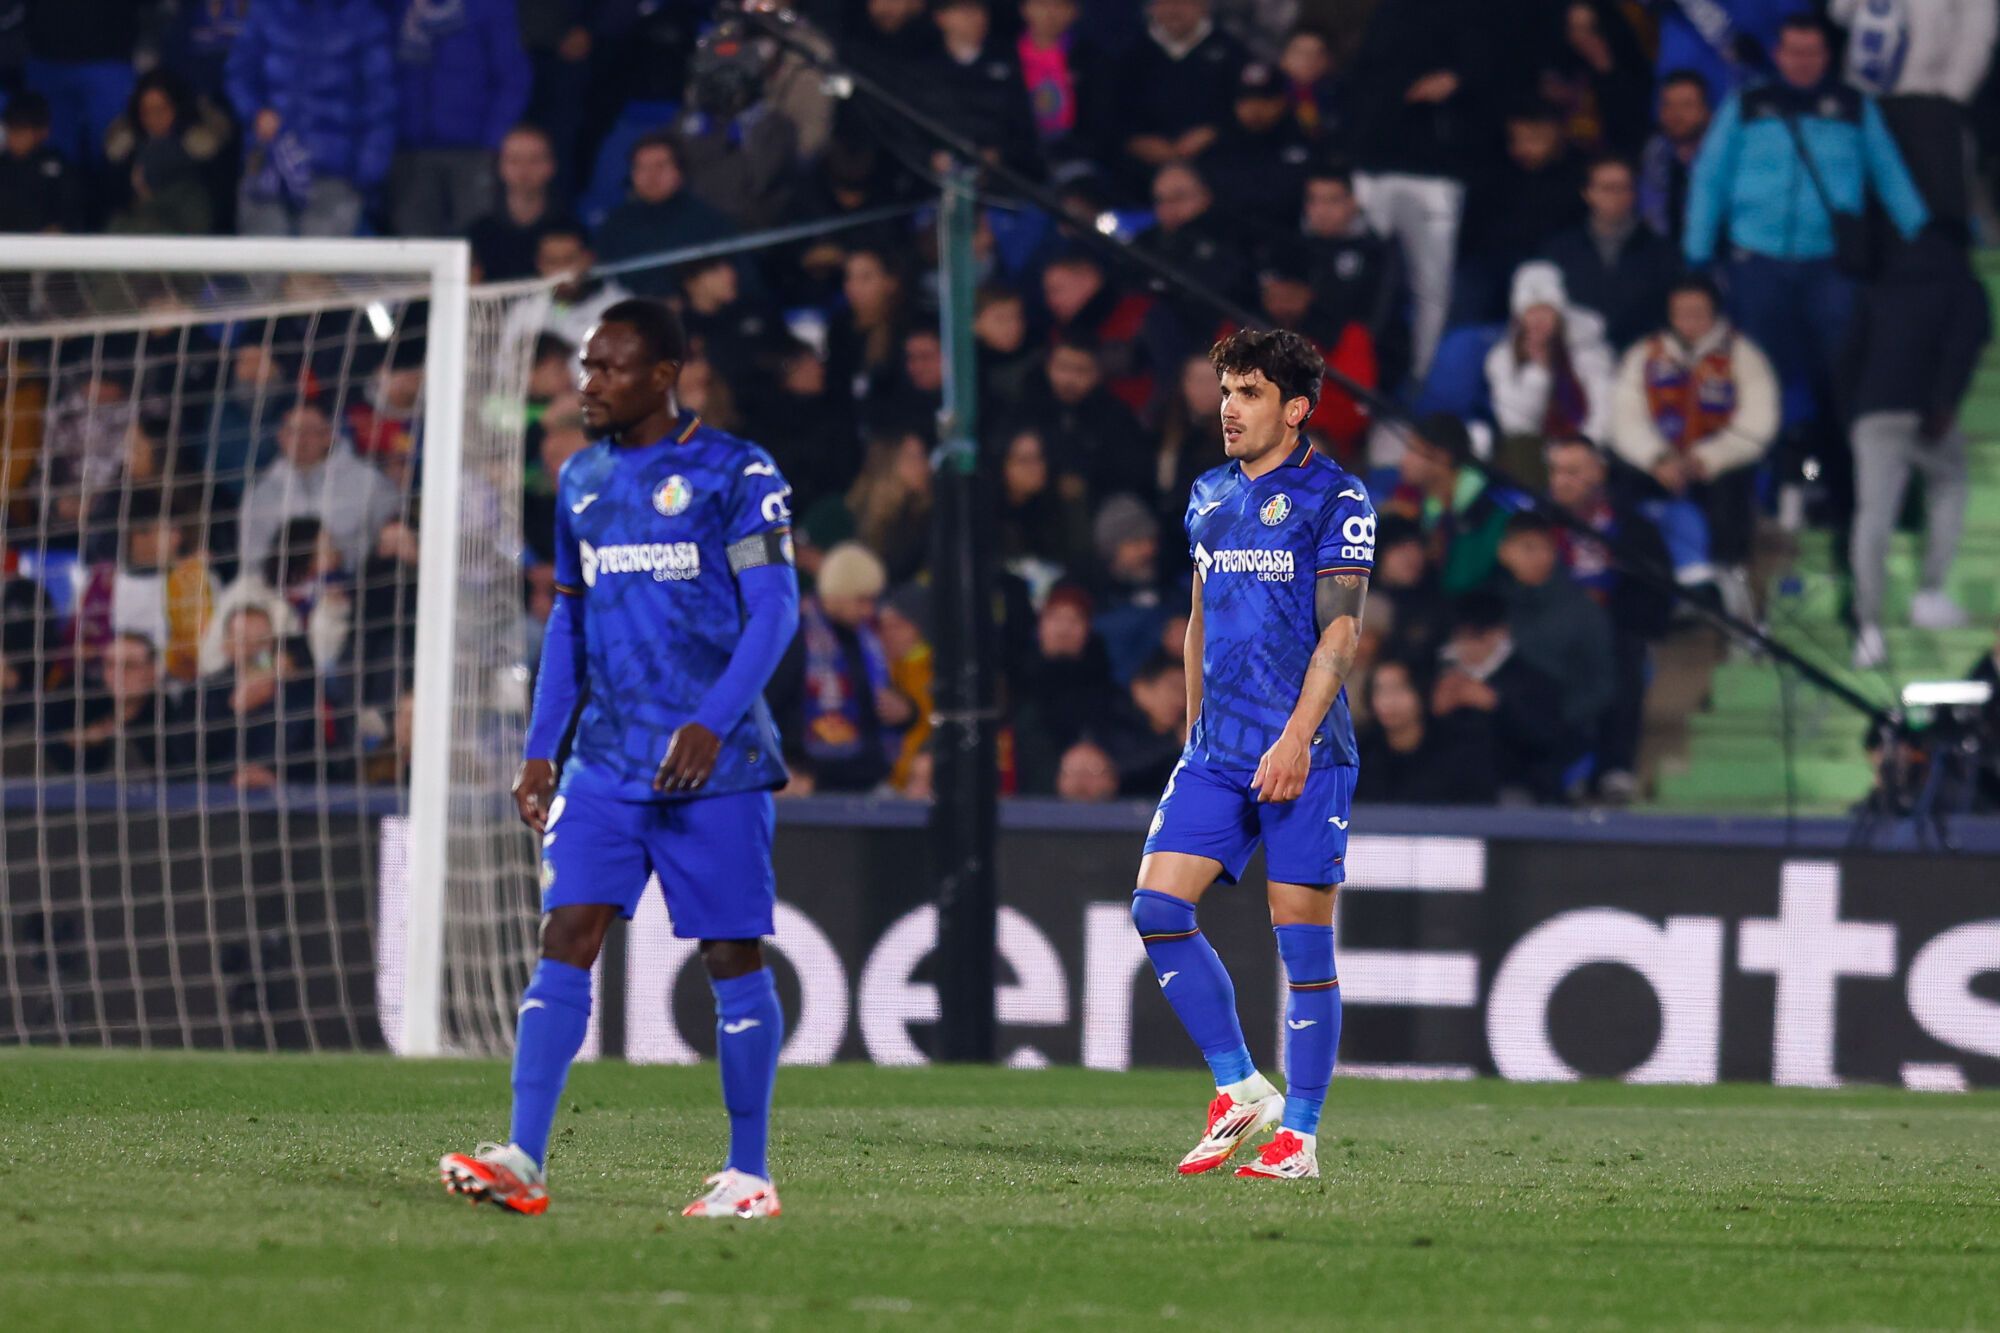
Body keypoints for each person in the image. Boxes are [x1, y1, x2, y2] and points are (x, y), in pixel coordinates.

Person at [441, 299, 800, 1221]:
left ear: (662, 374)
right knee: (566, 934)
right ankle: (523, 1155)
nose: (585, 382)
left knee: (730, 952)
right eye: (585, 366)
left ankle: (749, 1172)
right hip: (605, 758)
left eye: (606, 368)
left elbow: (775, 612)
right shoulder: (580, 479)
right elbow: (568, 616)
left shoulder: (737, 470)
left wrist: (713, 720)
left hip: (711, 763)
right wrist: (539, 747)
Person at [1133, 328, 1374, 1183]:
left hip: (1306, 750)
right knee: (1157, 907)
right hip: (1218, 748)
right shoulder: (1206, 494)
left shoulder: (1335, 498)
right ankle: (1240, 1084)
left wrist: (1294, 740)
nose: (1228, 407)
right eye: (1225, 389)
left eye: (1250, 392)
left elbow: (1341, 630)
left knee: (1303, 945)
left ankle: (1299, 1138)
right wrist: (1195, 731)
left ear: (1296, 407)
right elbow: (1199, 619)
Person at [1684, 16, 1929, 462]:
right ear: (1778, 55)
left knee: (1841, 373)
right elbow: (1709, 179)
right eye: (1793, 52)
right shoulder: (1746, 104)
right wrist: (1697, 252)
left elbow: (1890, 175)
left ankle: (1831, 479)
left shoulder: (1854, 106)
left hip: (1831, 266)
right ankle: (1767, 483)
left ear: (1826, 57)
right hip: (1756, 262)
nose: (1802, 62)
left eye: (1811, 53)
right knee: (1759, 378)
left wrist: (1928, 241)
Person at [1843, 230, 1992, 668]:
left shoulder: (1880, 288)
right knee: (1949, 486)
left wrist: (1852, 416)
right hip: (1928, 412)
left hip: (1872, 413)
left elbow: (1848, 356)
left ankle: (1868, 629)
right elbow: (1964, 346)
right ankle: (1928, 595)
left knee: (1873, 514)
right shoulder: (1962, 285)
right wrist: (1944, 402)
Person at [1609, 275, 1779, 578]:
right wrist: (1657, 458)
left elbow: (1758, 423)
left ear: (1714, 313)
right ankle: (1638, 574)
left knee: (1732, 492)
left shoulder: (1743, 355)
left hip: (1715, 465)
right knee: (1622, 487)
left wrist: (1706, 458)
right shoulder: (1644, 355)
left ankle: (1724, 576)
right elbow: (1625, 418)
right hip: (1657, 465)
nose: (1688, 322)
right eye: (1680, 313)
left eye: (1697, 313)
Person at [226, 0, 397, 238]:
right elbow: (239, 74)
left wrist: (366, 175)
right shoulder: (267, 10)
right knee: (263, 270)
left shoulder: (364, 17)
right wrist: (255, 112)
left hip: (335, 175)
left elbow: (380, 101)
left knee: (318, 272)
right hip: (269, 167)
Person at [237, 402, 401, 573]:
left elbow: (388, 542)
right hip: (281, 594)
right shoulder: (260, 496)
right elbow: (252, 564)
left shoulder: (370, 482)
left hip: (354, 588)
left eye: (309, 431)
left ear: (328, 436)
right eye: (292, 432)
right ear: (281, 437)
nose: (300, 440)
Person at [1541, 156, 1680, 351]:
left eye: (1624, 187)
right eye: (1607, 188)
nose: (1616, 195)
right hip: (1576, 355)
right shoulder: (1560, 249)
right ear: (1587, 193)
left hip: (1641, 355)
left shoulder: (1662, 251)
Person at [1485, 262, 1616, 458]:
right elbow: (1515, 426)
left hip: (1588, 448)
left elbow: (1603, 404)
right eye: (1530, 312)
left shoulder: (1590, 349)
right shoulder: (1502, 359)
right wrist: (1538, 374)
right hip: (1535, 453)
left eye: (1545, 311)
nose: (1538, 319)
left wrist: (1584, 447)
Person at [592, 133, 734, 298]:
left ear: (679, 171)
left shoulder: (708, 220)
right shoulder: (615, 224)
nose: (651, 175)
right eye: (642, 167)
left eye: (660, 166)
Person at [1353, 657, 1497, 804]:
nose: (1389, 701)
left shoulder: (1458, 748)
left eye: (1400, 689)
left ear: (1421, 692)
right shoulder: (1360, 749)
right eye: (1380, 690)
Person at [464, 125, 579, 282]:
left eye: (534, 160)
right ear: (500, 166)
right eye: (514, 160)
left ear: (551, 166)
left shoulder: (571, 233)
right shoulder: (478, 234)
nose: (524, 170)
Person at [1639, 71, 1711, 245]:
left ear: (1707, 111)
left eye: (1687, 105)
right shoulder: (1656, 151)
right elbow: (1651, 212)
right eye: (1668, 105)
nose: (1675, 114)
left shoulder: (1722, 154)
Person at [0, 92, 84, 233]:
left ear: (42, 131)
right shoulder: (3, 167)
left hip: (48, 250)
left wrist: (60, 228)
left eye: (22, 130)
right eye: (12, 129)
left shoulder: (58, 167)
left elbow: (73, 210)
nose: (15, 137)